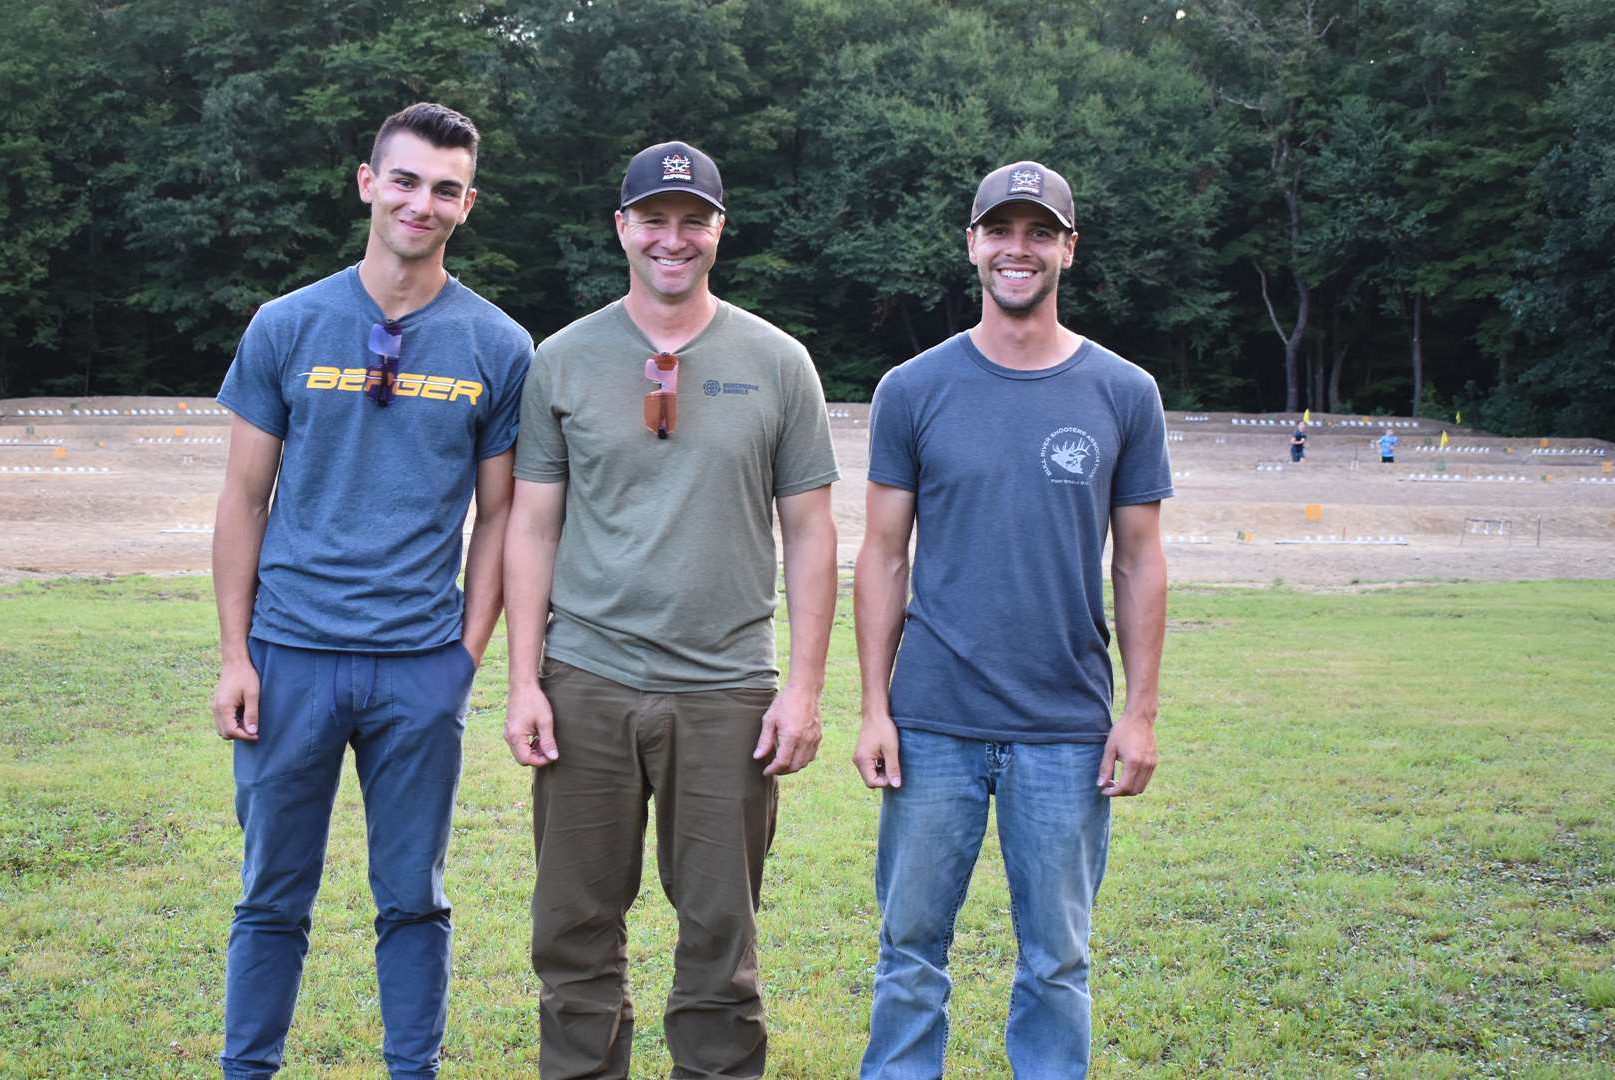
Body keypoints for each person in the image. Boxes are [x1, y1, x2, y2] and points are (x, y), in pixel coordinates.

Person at [502, 140, 840, 1080]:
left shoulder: (778, 363)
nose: (673, 238)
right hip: (588, 685)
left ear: (719, 232)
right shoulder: (562, 361)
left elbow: (811, 533)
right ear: (623, 226)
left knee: (720, 944)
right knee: (573, 934)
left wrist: (803, 690)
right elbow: (531, 527)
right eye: (655, 217)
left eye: (695, 220)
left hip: (727, 689)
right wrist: (525, 681)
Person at [209, 102, 532, 1080]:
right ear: (368, 182)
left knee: (413, 897)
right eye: (405, 180)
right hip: (289, 659)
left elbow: (502, 520)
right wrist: (234, 654)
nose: (421, 203)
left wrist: (463, 658)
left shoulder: (498, 347)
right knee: (271, 892)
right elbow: (241, 498)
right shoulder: (289, 325)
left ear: (467, 203)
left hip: (416, 669)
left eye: (444, 188)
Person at [851, 161, 1172, 1079]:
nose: (1017, 249)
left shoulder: (1123, 392)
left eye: (1039, 232)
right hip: (933, 719)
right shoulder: (913, 388)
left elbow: (1140, 559)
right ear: (972, 244)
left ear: (1068, 248)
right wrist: (875, 706)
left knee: (1057, 962)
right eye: (1001, 231)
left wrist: (1138, 712)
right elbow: (881, 553)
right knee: (910, 952)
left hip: (1065, 729)